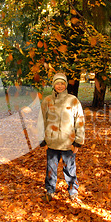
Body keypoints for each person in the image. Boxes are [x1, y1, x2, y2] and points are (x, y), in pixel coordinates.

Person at [39, 72, 85, 203]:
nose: (60, 86)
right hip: (52, 143)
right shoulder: (47, 101)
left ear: (65, 85)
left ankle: (73, 192)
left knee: (70, 169)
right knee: (51, 169)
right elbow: (41, 120)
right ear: (53, 85)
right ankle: (50, 191)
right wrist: (43, 140)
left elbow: (80, 121)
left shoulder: (73, 100)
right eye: (57, 83)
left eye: (62, 83)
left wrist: (78, 142)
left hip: (68, 143)